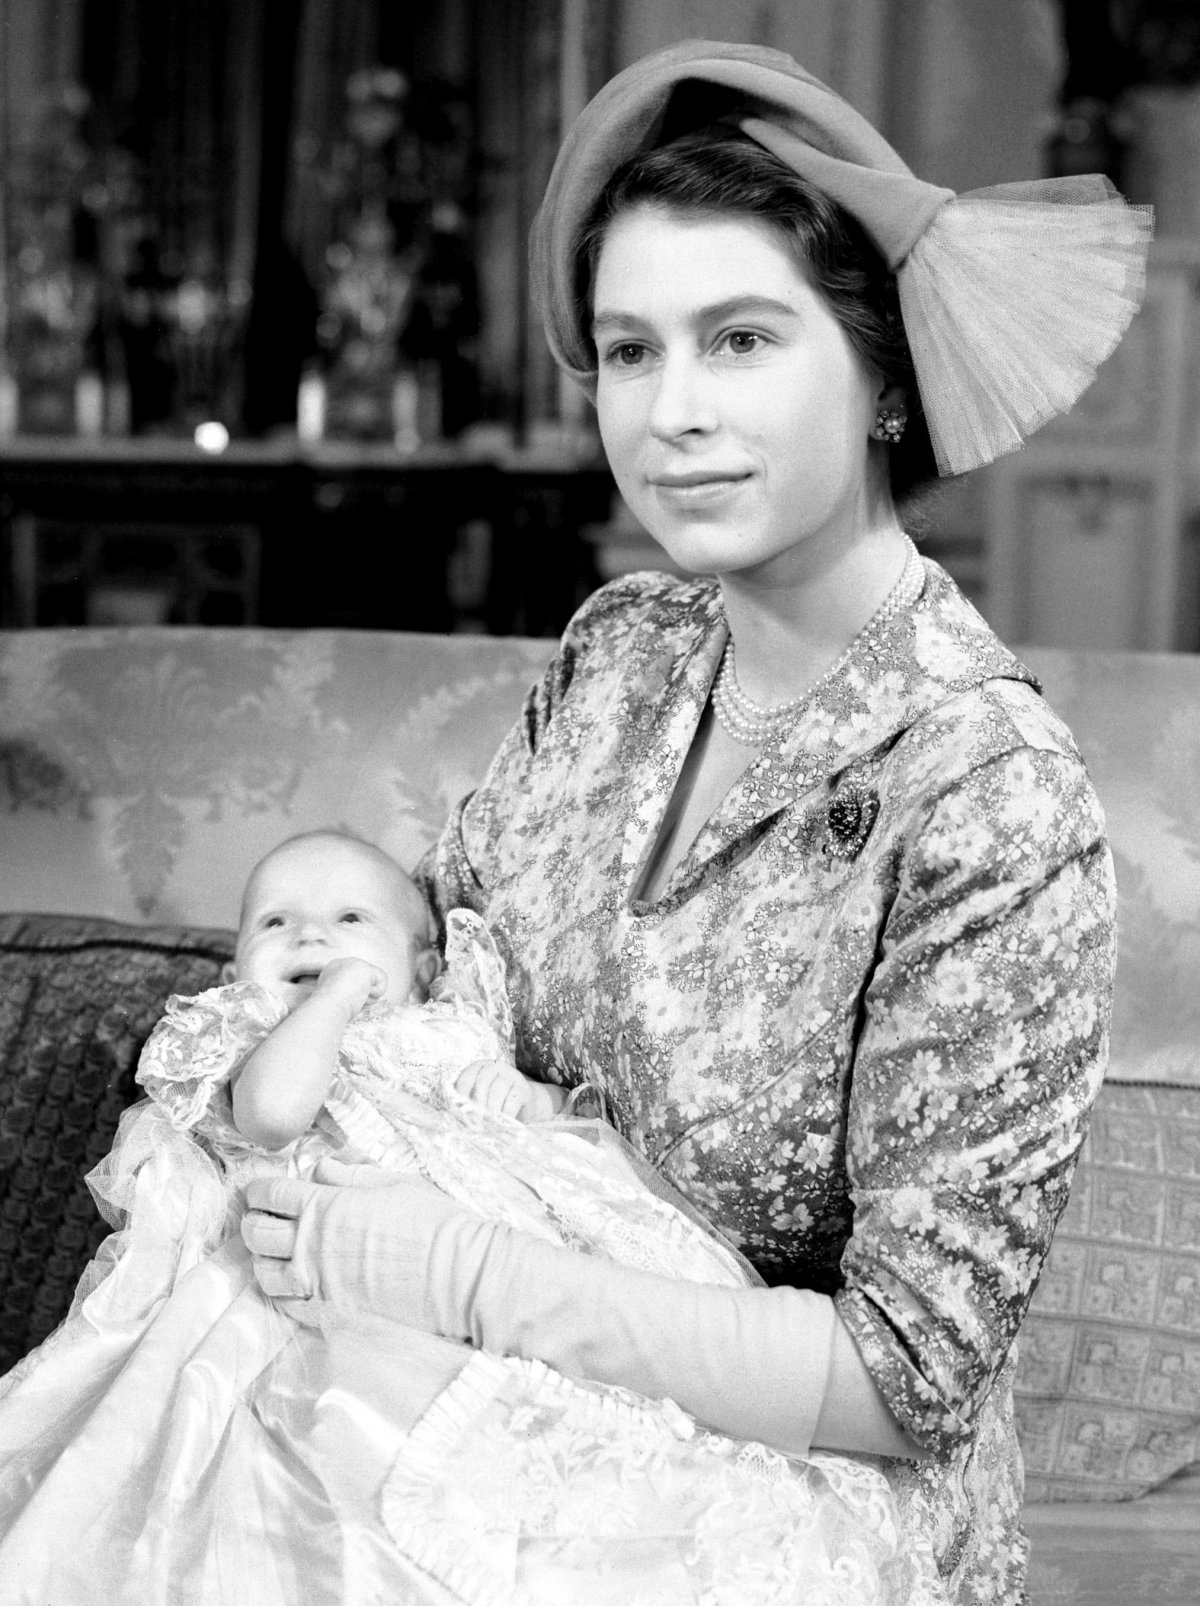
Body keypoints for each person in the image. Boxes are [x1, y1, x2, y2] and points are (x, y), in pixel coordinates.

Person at [238, 40, 1150, 1606]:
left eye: (740, 340)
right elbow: (433, 977)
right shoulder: (622, 653)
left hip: (793, 1502)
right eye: (630, 351)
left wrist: (456, 1267)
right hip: (474, 1406)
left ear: (882, 378)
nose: (671, 412)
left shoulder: (988, 794)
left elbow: (906, 1379)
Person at [0, 829, 943, 1604]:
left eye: (350, 919)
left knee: (576, 1462)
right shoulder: (256, 1039)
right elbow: (275, 1115)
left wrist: (527, 1101)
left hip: (476, 1273)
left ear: (423, 968)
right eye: (274, 921)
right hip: (314, 1294)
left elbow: (558, 1144)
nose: (310, 934)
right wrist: (335, 997)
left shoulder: (451, 1032)